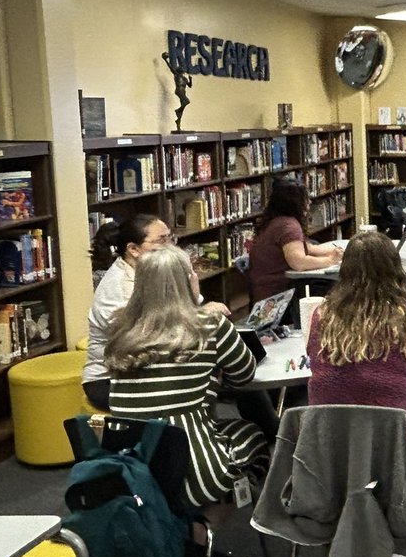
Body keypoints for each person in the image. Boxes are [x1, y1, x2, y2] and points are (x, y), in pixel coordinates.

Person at [106, 246, 269, 511]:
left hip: (133, 473)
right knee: (252, 434)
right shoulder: (209, 325)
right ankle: (205, 530)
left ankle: (180, 531)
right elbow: (244, 373)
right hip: (192, 472)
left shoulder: (122, 330)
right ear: (187, 281)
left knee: (203, 427)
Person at [306, 232, 406, 483]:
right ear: (394, 271)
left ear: (344, 272)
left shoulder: (321, 317)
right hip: (394, 452)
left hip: (330, 448)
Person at [83, 214, 229, 409]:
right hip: (114, 378)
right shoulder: (119, 287)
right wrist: (195, 306)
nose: (171, 246)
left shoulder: (157, 271)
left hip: (151, 363)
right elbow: (147, 339)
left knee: (218, 358)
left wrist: (196, 308)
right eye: (162, 240)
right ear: (133, 249)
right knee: (203, 377)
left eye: (170, 238)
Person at [247, 178, 343, 302]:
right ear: (295, 203)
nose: (309, 202)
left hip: (267, 291)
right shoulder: (288, 226)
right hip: (278, 297)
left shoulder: (277, 221)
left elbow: (308, 248)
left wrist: (335, 252)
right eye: (305, 199)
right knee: (339, 289)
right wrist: (330, 260)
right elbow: (299, 262)